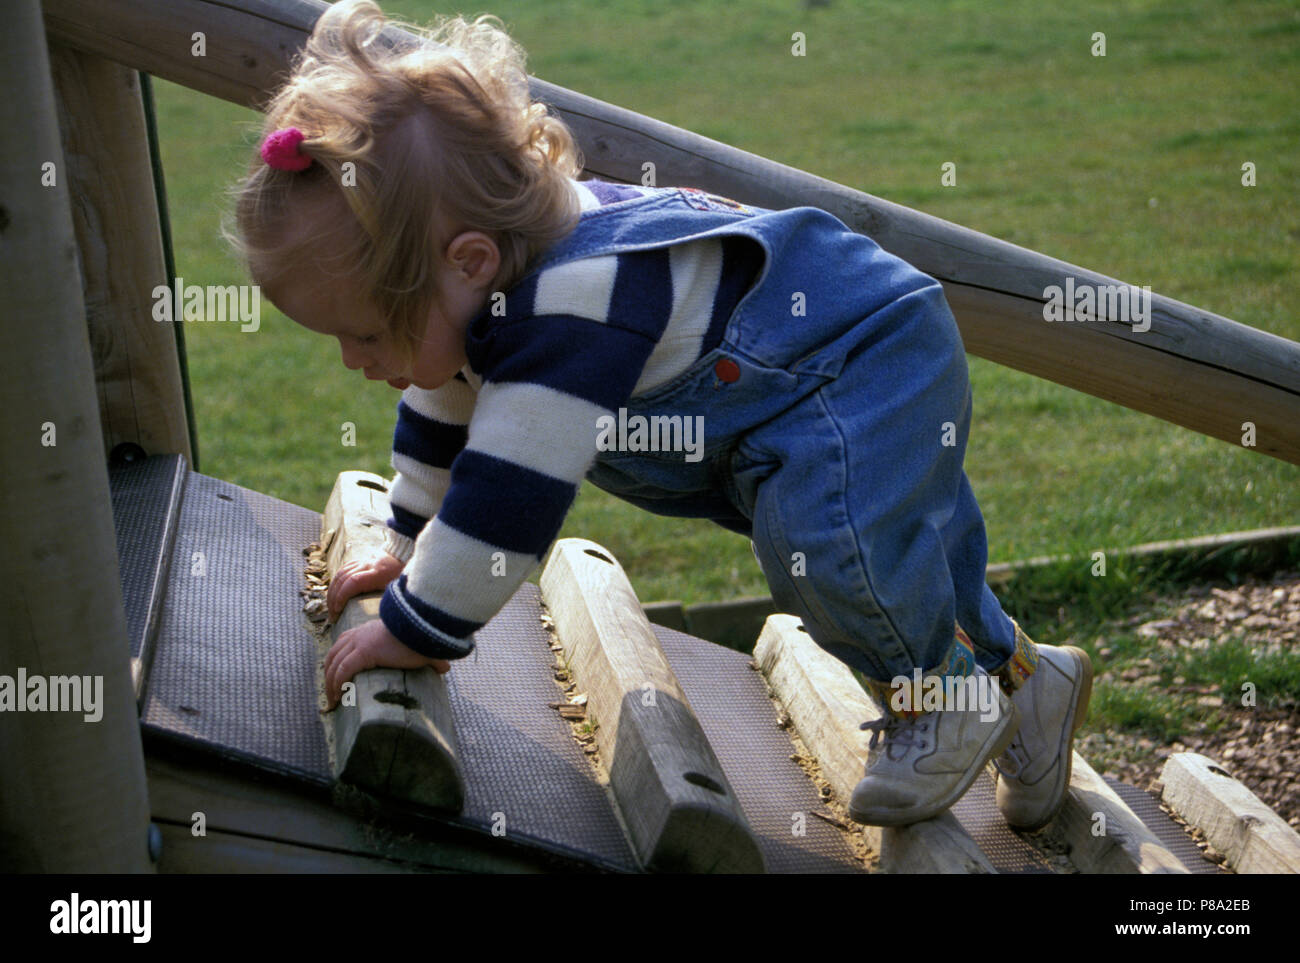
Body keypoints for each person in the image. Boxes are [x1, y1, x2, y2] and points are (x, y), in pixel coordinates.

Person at [230, 0, 1092, 830]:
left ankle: (942, 702)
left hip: (859, 361)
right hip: (820, 368)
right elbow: (446, 409)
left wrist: (420, 625)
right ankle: (1025, 681)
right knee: (913, 558)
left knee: (833, 548)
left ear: (469, 260)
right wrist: (406, 544)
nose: (354, 359)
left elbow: (506, 503)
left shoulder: (573, 305)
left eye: (367, 331)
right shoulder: (494, 289)